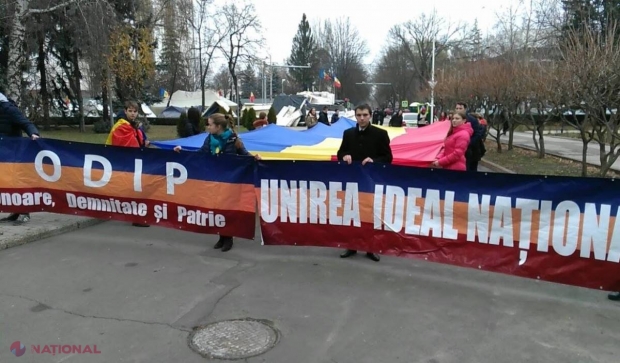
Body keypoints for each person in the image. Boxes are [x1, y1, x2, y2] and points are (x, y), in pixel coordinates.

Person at [174, 113, 261, 252]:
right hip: (215, 179)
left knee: (227, 209)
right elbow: (200, 154)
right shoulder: (210, 139)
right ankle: (221, 236)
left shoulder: (233, 139)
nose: (207, 127)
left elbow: (244, 154)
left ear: (218, 126)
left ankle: (229, 238)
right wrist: (182, 151)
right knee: (217, 208)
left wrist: (255, 158)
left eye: (210, 124)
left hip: (231, 180)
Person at [337, 104, 393, 262]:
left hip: (371, 182)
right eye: (359, 115)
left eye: (365, 115)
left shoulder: (380, 134)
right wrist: (344, 156)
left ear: (370, 115)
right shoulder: (348, 134)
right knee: (352, 213)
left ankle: (371, 247)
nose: (362, 118)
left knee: (371, 214)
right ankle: (351, 245)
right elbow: (340, 152)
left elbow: (388, 157)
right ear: (355, 116)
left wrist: (373, 160)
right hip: (353, 180)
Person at [106, 101, 150, 227]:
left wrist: (144, 143)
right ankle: (136, 217)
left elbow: (138, 142)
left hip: (132, 162)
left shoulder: (134, 126)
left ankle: (137, 216)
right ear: (125, 111)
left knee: (136, 189)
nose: (133, 113)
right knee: (135, 189)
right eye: (130, 111)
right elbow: (130, 145)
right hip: (126, 162)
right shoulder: (122, 126)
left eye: (135, 111)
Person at [0, 92, 40, 225]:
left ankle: (24, 212)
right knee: (5, 182)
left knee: (16, 181)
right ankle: (14, 211)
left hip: (13, 152)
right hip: (3, 153)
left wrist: (33, 133)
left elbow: (25, 122)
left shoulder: (9, 109)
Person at [455, 102, 485, 171]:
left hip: (471, 152)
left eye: (460, 108)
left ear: (465, 109)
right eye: (457, 108)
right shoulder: (453, 119)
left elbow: (477, 134)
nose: (458, 110)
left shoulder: (472, 120)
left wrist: (466, 143)